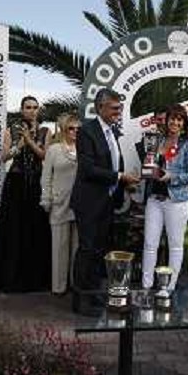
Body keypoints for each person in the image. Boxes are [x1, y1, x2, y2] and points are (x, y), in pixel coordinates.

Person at [70, 89, 140, 314]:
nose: (118, 112)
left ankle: (93, 295)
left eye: (119, 108)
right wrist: (120, 177)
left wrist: (123, 184)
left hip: (107, 202)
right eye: (114, 108)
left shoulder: (112, 132)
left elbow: (112, 164)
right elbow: (88, 169)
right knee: (87, 249)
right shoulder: (87, 131)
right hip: (89, 202)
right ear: (100, 107)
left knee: (99, 250)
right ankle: (80, 302)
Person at [0, 95, 52, 293]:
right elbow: (3, 156)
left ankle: (35, 278)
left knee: (35, 228)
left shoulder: (45, 131)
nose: (32, 110)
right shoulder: (11, 129)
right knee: (15, 229)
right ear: (22, 109)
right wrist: (19, 145)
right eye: (28, 107)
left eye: (35, 107)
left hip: (36, 183)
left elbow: (45, 156)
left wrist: (30, 141)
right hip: (16, 183)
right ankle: (11, 276)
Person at [141, 104, 188, 292]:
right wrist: (147, 171)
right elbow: (149, 166)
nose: (175, 122)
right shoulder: (156, 140)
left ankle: (169, 287)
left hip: (176, 201)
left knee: (175, 245)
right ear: (166, 120)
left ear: (184, 123)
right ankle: (146, 286)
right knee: (150, 244)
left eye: (179, 119)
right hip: (154, 199)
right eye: (172, 118)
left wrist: (171, 177)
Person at [41, 114, 81, 295]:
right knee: (59, 247)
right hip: (59, 203)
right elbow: (46, 177)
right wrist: (46, 199)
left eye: (78, 128)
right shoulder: (54, 149)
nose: (75, 132)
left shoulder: (84, 148)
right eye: (71, 128)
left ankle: (75, 284)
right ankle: (58, 287)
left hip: (80, 204)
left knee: (78, 248)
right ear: (63, 129)